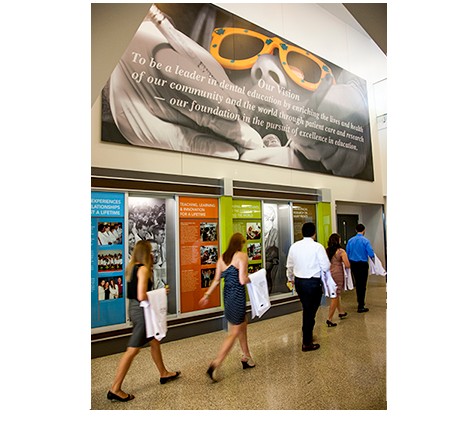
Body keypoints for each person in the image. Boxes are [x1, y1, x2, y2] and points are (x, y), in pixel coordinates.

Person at [107, 240, 180, 402]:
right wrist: (160, 293)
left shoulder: (132, 267)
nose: (153, 254)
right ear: (146, 253)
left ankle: (163, 373)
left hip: (134, 308)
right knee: (132, 350)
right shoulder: (144, 270)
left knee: (154, 341)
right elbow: (142, 295)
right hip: (142, 311)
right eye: (151, 251)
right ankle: (115, 388)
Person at [199, 233, 255, 381]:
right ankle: (215, 364)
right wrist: (256, 278)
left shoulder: (222, 258)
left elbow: (217, 280)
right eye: (242, 244)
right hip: (237, 296)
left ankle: (246, 356)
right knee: (234, 332)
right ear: (240, 244)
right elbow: (242, 279)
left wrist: (207, 295)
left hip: (228, 297)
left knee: (243, 323)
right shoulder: (241, 256)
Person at [286, 222, 330, 352]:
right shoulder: (318, 247)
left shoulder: (294, 246)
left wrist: (290, 279)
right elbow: (326, 266)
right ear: (314, 233)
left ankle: (307, 335)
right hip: (313, 283)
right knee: (310, 311)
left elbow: (289, 266)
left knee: (307, 309)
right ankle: (307, 342)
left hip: (300, 283)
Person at [346, 223, 375, 313]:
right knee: (362, 285)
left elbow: (347, 252)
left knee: (357, 283)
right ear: (364, 230)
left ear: (355, 230)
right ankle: (361, 305)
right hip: (362, 265)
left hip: (354, 264)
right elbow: (371, 254)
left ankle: (360, 301)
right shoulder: (365, 241)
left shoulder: (350, 241)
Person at [325, 233, 351, 326]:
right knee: (335, 296)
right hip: (338, 274)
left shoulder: (327, 251)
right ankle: (329, 318)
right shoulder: (341, 251)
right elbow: (347, 264)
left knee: (336, 293)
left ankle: (341, 312)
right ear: (338, 240)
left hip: (329, 274)